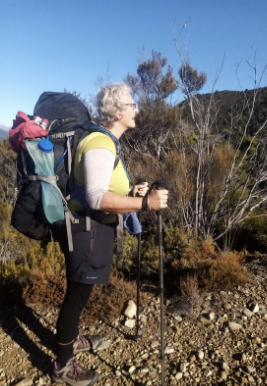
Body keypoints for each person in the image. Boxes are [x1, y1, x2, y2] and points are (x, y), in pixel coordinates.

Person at [51, 83, 168, 386]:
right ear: (117, 111)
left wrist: (130, 192)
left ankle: (72, 338)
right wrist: (145, 203)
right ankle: (62, 365)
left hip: (92, 229)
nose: (136, 109)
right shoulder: (101, 143)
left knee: (81, 294)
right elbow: (95, 198)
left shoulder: (106, 142)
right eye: (131, 104)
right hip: (85, 230)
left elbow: (102, 189)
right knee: (76, 296)